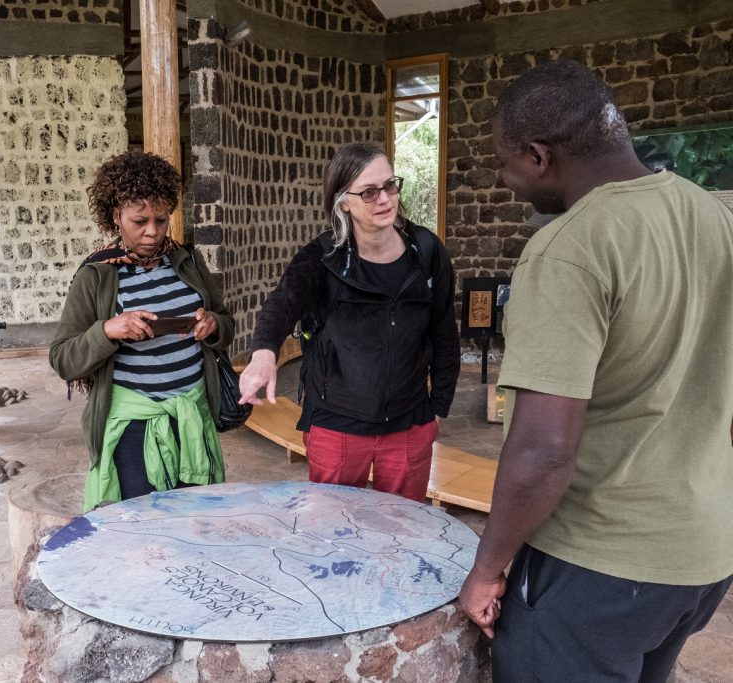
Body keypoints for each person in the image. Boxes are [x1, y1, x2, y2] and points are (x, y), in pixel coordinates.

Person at [458, 60, 733, 681]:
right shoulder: (714, 217)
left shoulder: (569, 248)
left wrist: (489, 566)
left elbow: (545, 449)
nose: (506, 181)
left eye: (505, 163)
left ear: (538, 155)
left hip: (600, 566)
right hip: (702, 554)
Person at [238, 142, 460, 501]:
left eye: (390, 185)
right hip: (336, 425)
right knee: (335, 536)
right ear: (344, 202)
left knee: (402, 533)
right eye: (369, 192)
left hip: (409, 423)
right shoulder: (322, 258)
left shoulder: (426, 252)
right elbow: (282, 303)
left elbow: (444, 332)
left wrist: (438, 411)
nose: (385, 199)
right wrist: (264, 353)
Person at [49, 151, 234, 512]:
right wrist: (108, 331)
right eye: (140, 221)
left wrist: (212, 325)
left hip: (191, 418)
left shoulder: (189, 262)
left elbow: (226, 324)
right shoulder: (97, 274)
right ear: (116, 215)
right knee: (143, 526)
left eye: (161, 220)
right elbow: (63, 359)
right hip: (134, 429)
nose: (152, 231)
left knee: (196, 518)